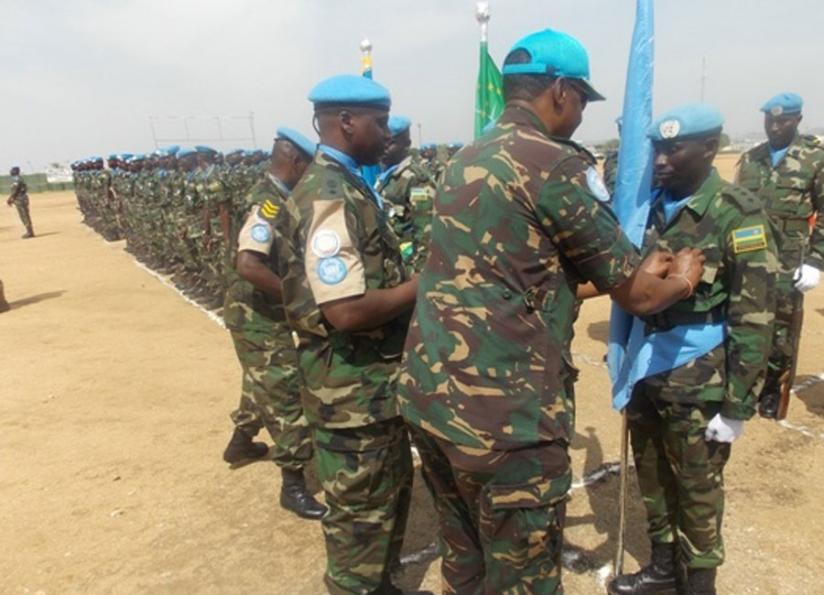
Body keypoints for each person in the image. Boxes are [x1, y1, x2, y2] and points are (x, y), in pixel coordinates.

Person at [397, 29, 706, 594]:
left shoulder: (462, 158)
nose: (582, 114)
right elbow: (636, 294)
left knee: (466, 565)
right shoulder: (555, 164)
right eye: (583, 100)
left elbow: (515, 275)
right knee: (524, 579)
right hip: (505, 421)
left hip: (431, 399)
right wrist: (682, 280)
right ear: (560, 91)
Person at [609, 105, 776, 595]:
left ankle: (699, 582)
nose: (660, 159)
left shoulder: (736, 214)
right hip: (647, 368)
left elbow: (755, 314)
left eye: (674, 148)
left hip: (699, 376)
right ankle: (663, 566)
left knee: (698, 487)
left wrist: (738, 403)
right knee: (653, 472)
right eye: (657, 148)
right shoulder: (644, 208)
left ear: (710, 148)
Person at [283, 74, 420, 594]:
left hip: (370, 385)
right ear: (345, 122)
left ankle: (380, 584)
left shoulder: (350, 183)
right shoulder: (329, 196)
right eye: (379, 122)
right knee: (361, 512)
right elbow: (345, 311)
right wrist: (420, 287)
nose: (387, 133)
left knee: (386, 496)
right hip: (349, 390)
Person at [222, 127, 326, 520]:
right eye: (309, 165)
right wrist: (299, 296)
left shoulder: (278, 196)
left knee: (260, 379)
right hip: (257, 316)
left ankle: (241, 441)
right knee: (284, 392)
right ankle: (294, 484)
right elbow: (248, 264)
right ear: (295, 161)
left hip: (262, 313)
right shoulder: (267, 202)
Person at [735, 93, 824, 418]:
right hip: (750, 254)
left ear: (798, 119)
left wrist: (816, 260)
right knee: (746, 319)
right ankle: (748, 384)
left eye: (783, 120)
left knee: (782, 326)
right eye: (769, 120)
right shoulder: (751, 158)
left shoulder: (815, 158)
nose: (775, 126)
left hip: (790, 258)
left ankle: (774, 386)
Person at [375, 115, 437, 270]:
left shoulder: (416, 179)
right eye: (383, 141)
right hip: (392, 261)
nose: (385, 148)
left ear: (407, 144)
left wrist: (418, 272)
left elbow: (426, 230)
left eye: (391, 143)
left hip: (408, 263)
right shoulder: (386, 176)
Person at [6, 167, 34, 238]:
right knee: (24, 215)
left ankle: (29, 232)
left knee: (24, 216)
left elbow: (15, 191)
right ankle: (29, 231)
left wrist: (9, 199)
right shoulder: (20, 179)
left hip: (20, 200)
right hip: (21, 199)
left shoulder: (17, 180)